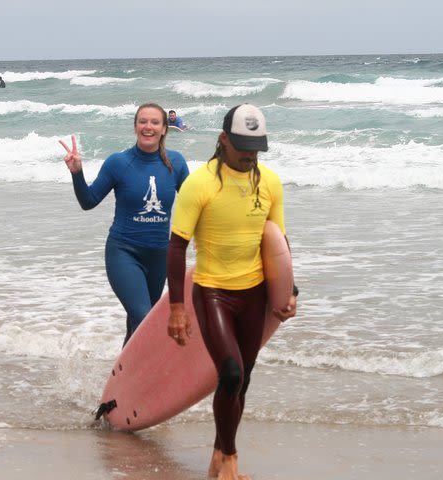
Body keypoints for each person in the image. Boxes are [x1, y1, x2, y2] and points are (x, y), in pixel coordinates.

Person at [166, 104, 298, 480]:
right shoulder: (201, 183)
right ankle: (230, 460)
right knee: (230, 373)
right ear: (223, 140)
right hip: (213, 292)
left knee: (245, 377)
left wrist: (290, 290)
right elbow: (176, 247)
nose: (249, 154)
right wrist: (177, 308)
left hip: (254, 293)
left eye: (256, 146)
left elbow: (278, 242)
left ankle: (216, 457)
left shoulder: (270, 182)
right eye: (242, 145)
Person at [59, 103, 190, 346]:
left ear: (164, 129)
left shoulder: (176, 163)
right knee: (145, 320)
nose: (148, 127)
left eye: (154, 122)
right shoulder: (118, 163)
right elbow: (88, 201)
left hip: (160, 256)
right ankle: (150, 377)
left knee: (137, 325)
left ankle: (123, 379)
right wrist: (77, 173)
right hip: (124, 252)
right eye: (142, 121)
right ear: (135, 127)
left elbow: (194, 204)